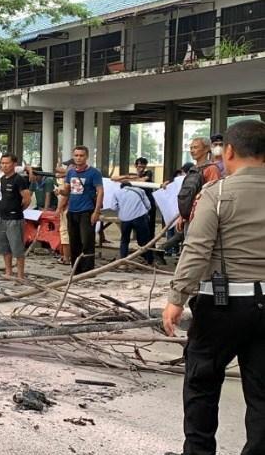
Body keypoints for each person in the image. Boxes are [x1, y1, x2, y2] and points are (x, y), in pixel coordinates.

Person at [162, 119, 265, 454]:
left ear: (229, 151)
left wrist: (177, 297)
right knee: (262, 394)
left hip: (221, 306)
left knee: (202, 384)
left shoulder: (217, 193)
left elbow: (197, 248)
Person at [57, 146, 103, 275]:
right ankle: (75, 269)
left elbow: (100, 192)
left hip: (87, 210)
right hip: (72, 210)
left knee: (87, 241)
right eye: (76, 155)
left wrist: (96, 211)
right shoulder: (71, 173)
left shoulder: (94, 173)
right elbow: (67, 191)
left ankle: (88, 270)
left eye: (81, 155)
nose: (78, 158)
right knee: (74, 241)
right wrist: (60, 191)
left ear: (86, 157)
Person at [0, 154, 31, 279]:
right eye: (2, 163)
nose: (4, 165)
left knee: (17, 248)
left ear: (14, 164)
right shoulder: (3, 179)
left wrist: (18, 210)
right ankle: (8, 272)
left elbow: (27, 198)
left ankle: (20, 275)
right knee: (4, 247)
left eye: (7, 163)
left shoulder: (19, 179)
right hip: (2, 217)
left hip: (15, 219)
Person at [112, 182, 153, 264]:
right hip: (140, 217)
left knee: (124, 240)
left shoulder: (116, 193)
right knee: (144, 240)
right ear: (131, 186)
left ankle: (123, 260)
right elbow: (148, 205)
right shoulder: (140, 190)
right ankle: (148, 260)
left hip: (125, 219)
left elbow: (113, 207)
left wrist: (123, 208)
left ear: (121, 187)